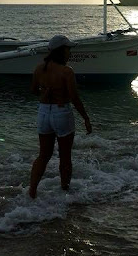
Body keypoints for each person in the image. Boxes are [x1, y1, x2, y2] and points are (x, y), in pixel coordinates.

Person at [29, 34, 92, 198]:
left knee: (44, 155)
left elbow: (33, 91)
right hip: (61, 112)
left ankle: (32, 191)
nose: (70, 52)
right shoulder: (66, 71)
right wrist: (85, 118)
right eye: (68, 49)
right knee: (65, 156)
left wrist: (44, 91)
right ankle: (65, 191)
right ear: (61, 51)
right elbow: (74, 98)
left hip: (43, 112)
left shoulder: (39, 69)